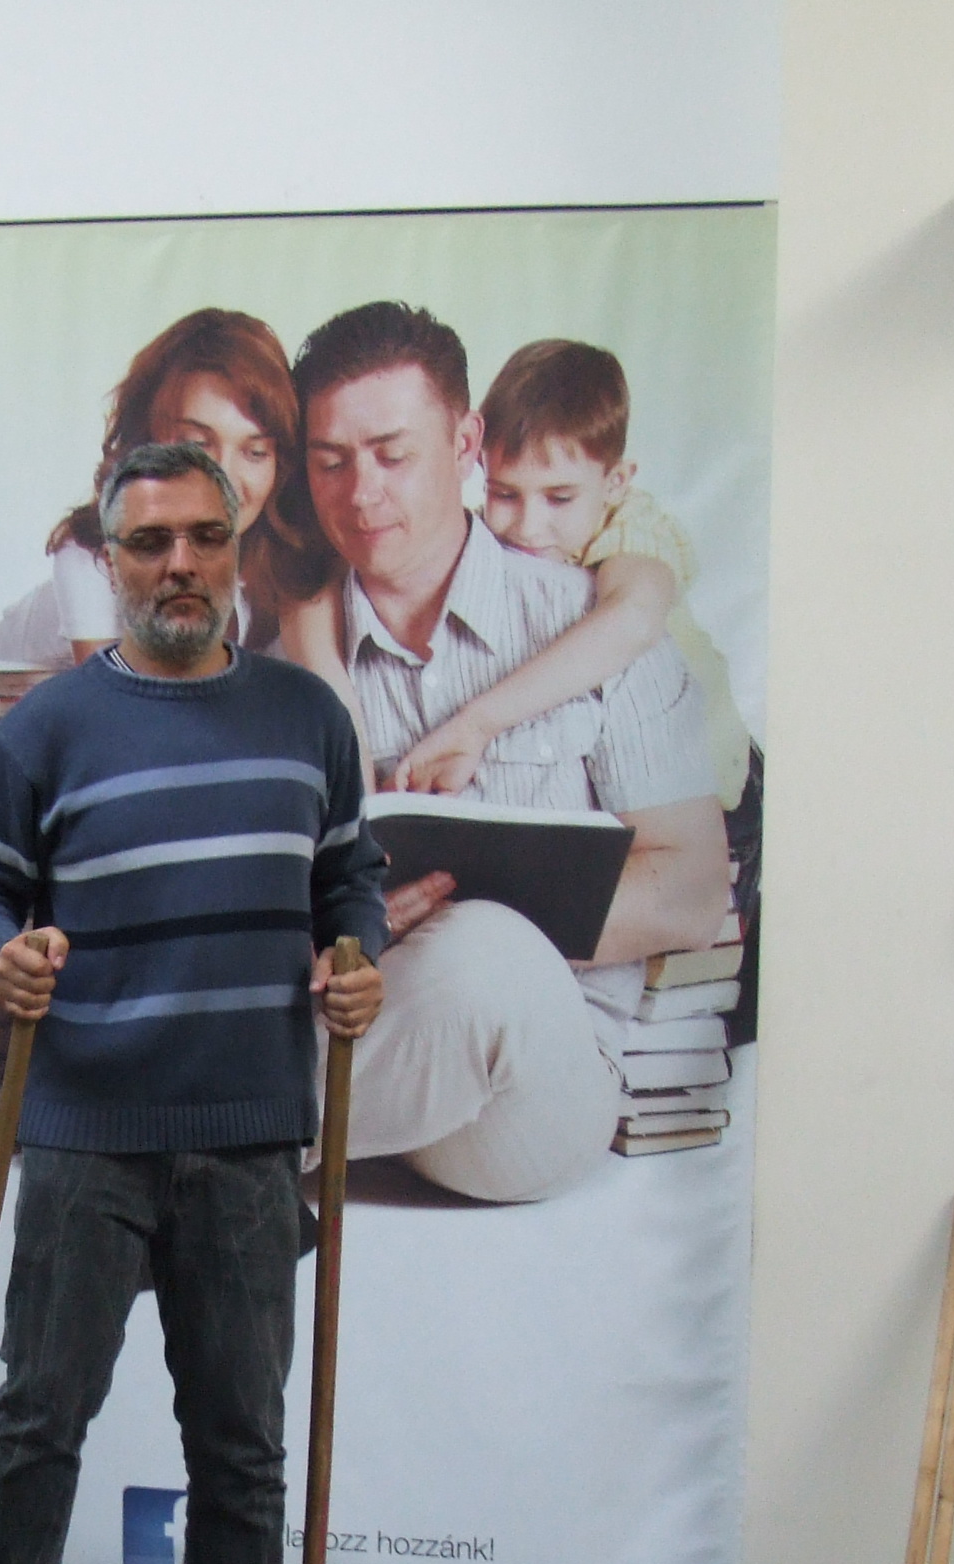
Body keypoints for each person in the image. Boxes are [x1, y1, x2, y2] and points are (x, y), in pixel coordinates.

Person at [0, 439, 384, 1564]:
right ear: (108, 560)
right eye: (147, 542)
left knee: (239, 1448)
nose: (178, 564)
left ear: (238, 550)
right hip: (85, 1130)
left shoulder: (306, 717)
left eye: (201, 537)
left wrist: (354, 954)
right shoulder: (48, 728)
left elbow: (350, 876)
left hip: (248, 1137)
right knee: (37, 1419)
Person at [292, 301, 730, 1203]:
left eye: (392, 455)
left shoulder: (600, 627)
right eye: (331, 461)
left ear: (467, 443)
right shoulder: (292, 649)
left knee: (485, 952)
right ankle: (235, 1144)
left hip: (532, 1085)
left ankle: (212, 1149)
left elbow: (692, 893)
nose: (361, 493)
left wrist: (441, 915)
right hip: (358, 1043)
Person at [370, 337, 755, 816]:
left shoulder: (631, 526)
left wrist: (477, 724)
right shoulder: (488, 540)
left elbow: (634, 619)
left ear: (615, 482)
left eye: (559, 498)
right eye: (504, 494)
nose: (528, 526)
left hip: (720, 790)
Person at [0, 307, 330, 668]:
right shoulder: (92, 560)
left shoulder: (282, 562)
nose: (223, 477)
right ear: (147, 441)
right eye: (197, 444)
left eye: (255, 452)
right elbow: (115, 698)